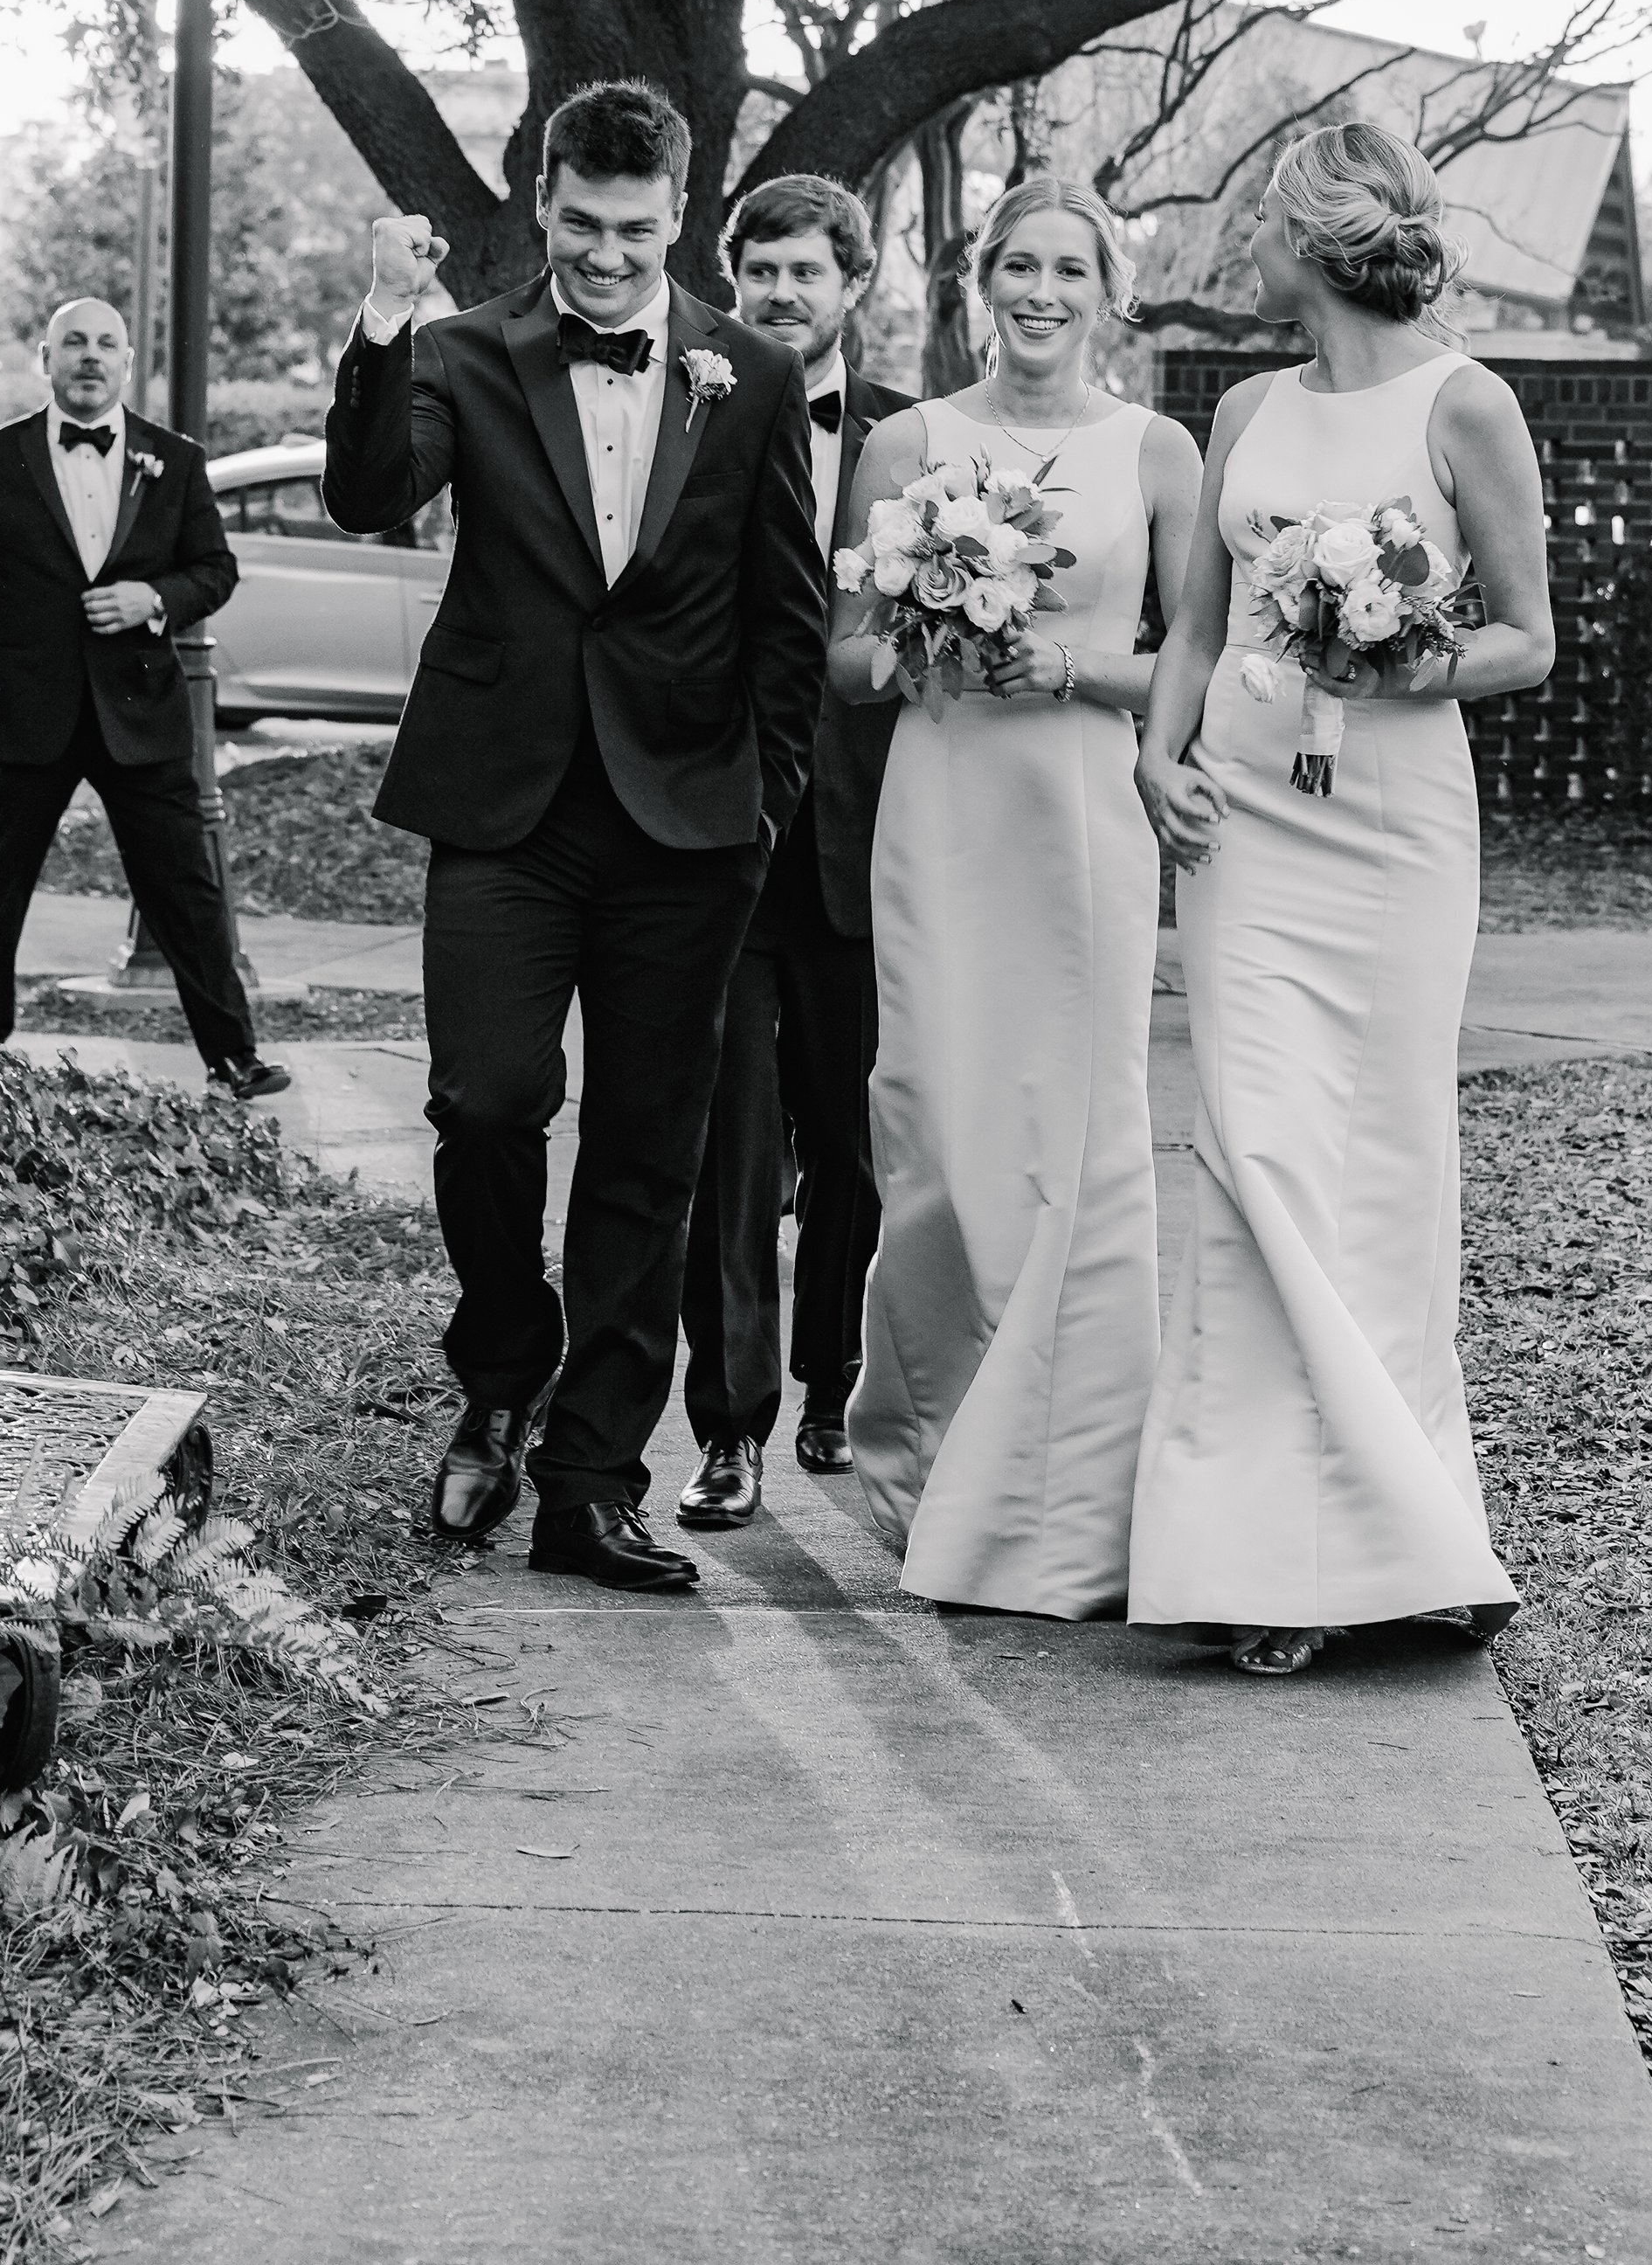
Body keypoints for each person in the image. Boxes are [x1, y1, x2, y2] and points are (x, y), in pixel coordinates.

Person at [323, 82, 827, 1597]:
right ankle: (502, 1366)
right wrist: (380, 320)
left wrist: (765, 805)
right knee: (486, 1103)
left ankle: (594, 1481)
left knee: (645, 1157)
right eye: (579, 225)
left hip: (688, 825)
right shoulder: (465, 351)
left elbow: (786, 607)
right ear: (542, 207)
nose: (605, 256)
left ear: (678, 215)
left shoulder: (747, 371)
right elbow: (366, 494)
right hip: (506, 810)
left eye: (634, 230)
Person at [1130, 121, 1554, 1676]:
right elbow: (1194, 626)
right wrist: (1155, 765)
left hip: (1390, 834)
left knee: (1378, 1164)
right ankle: (1254, 1553)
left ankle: (1401, 1533)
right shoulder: (1243, 405)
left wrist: (1395, 656)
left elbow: (1528, 637)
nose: (1241, 240)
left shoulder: (1467, 403)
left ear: (1311, 236)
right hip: (1242, 826)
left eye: (1257, 216)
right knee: (1250, 1145)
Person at [829, 176, 1203, 1621]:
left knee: (1083, 1137)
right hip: (944, 805)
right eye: (1019, 264)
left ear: (1111, 292)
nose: (1043, 290)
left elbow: (1188, 664)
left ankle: (1078, 1497)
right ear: (982, 279)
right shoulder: (915, 443)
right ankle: (933, 1470)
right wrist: (922, 642)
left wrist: (1063, 667)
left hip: (1083, 818)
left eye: (1071, 268)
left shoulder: (1158, 454)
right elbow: (844, 660)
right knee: (935, 1120)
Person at [676, 177, 913, 1531]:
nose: (779, 292)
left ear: (852, 285)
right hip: (718, 840)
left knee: (858, 1144)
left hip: (872, 848)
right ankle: (728, 1429)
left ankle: (836, 1381)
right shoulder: (689, 419)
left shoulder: (916, 439)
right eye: (758, 269)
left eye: (805, 271)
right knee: (731, 1148)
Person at [0, 297, 288, 1099]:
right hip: (26, 709)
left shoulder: (175, 461)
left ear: (127, 362)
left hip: (140, 710)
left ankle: (235, 1058)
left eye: (106, 345)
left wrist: (152, 598)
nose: (90, 357)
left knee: (186, 890)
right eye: (74, 343)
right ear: (45, 359)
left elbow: (214, 571)